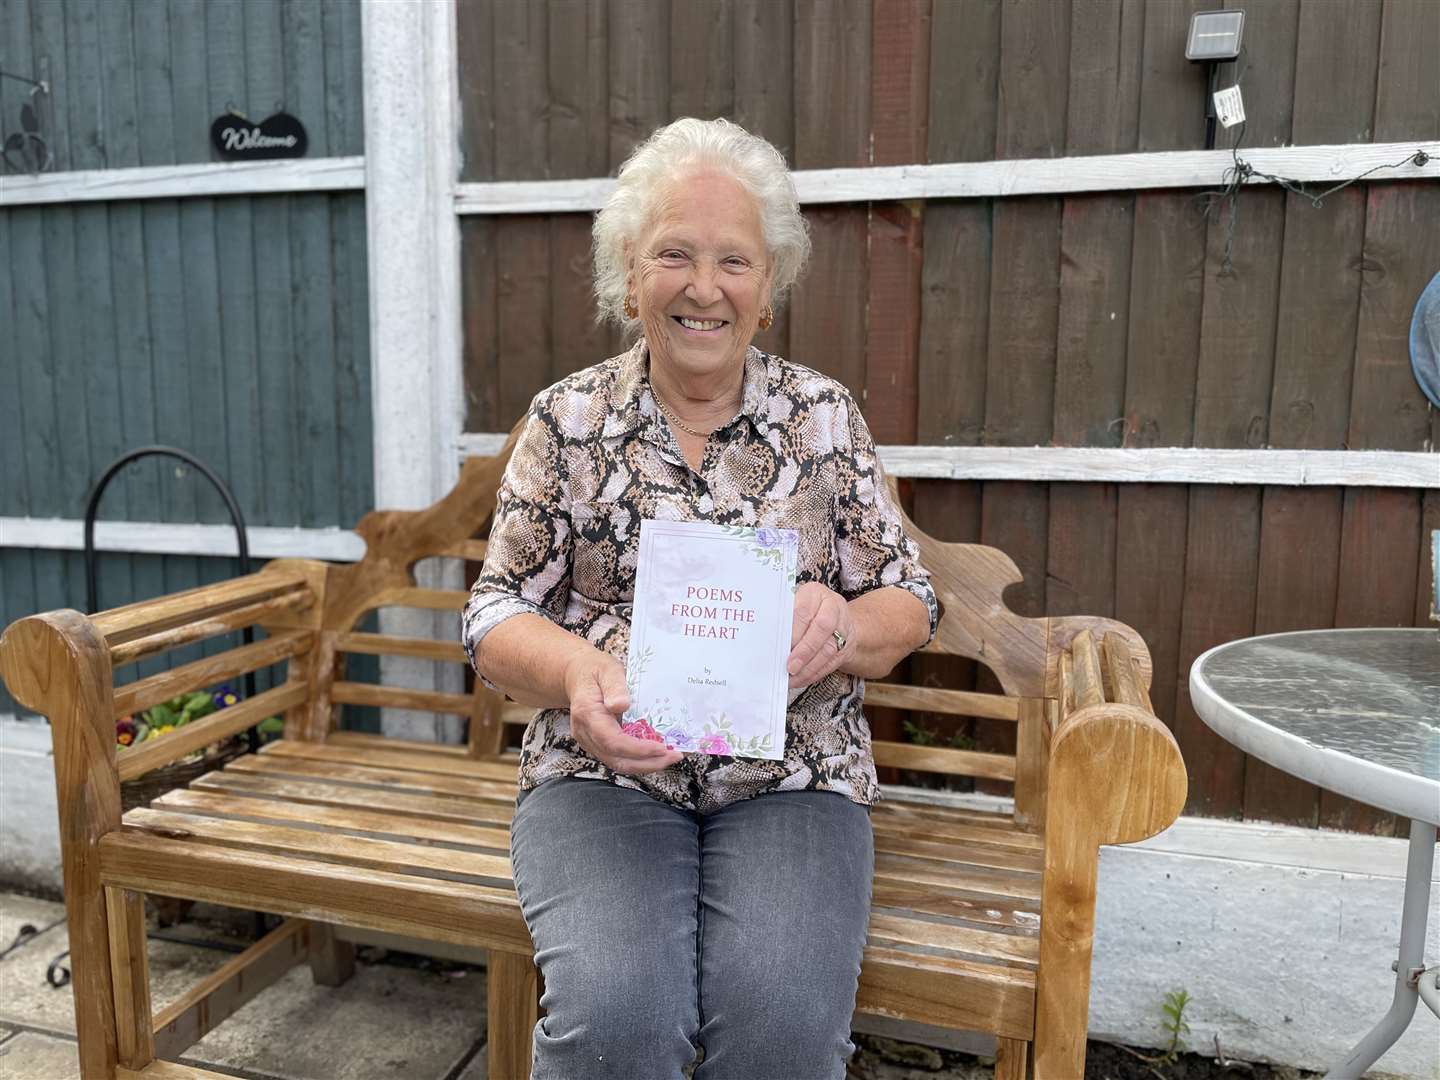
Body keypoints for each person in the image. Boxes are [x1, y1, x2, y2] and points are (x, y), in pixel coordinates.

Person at [462, 117, 937, 1079]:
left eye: (734, 260)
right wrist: (580, 672)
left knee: (782, 1031)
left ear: (768, 287)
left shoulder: (822, 416)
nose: (703, 287)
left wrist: (841, 627)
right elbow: (493, 610)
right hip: (603, 775)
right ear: (629, 274)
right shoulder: (568, 419)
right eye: (674, 254)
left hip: (792, 784)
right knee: (616, 1024)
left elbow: (910, 598)